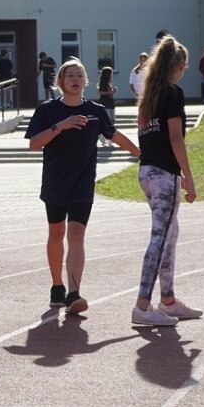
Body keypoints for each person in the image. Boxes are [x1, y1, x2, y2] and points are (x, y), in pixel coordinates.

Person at [25, 58, 140, 314]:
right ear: (60, 82)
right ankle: (57, 287)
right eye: (70, 76)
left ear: (85, 81)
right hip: (55, 182)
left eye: (79, 75)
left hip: (82, 185)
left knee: (76, 235)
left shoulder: (96, 111)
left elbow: (115, 135)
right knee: (56, 234)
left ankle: (74, 294)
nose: (75, 79)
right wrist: (61, 126)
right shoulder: (47, 110)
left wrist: (139, 152)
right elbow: (34, 144)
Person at [132, 35, 203, 326]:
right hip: (163, 174)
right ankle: (142, 305)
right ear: (178, 66)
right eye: (184, 66)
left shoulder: (147, 96)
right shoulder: (172, 93)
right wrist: (188, 176)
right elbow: (176, 138)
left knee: (169, 234)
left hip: (147, 172)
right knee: (161, 238)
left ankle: (169, 300)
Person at [97, 66, 117, 146]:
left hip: (111, 102)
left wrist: (112, 91)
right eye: (111, 73)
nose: (112, 75)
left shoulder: (109, 82)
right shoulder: (103, 82)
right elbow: (101, 93)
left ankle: (110, 137)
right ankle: (103, 137)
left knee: (112, 120)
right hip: (105, 102)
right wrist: (111, 92)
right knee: (107, 120)